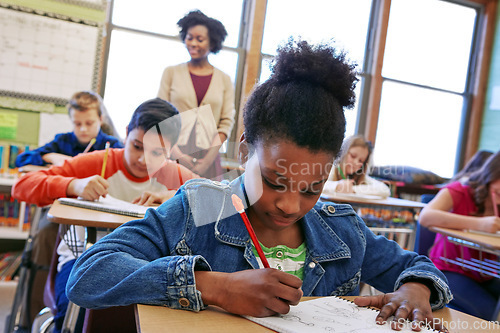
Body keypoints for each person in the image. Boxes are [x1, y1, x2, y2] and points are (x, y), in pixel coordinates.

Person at [68, 39, 451, 330]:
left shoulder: (342, 230)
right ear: (246, 151)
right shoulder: (201, 209)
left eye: (310, 188)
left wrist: (415, 289)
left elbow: (417, 265)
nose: (289, 204)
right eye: (274, 181)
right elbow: (89, 273)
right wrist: (214, 286)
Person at [12, 98, 199, 333]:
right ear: (126, 134)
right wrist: (74, 185)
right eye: (137, 146)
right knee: (78, 314)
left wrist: (179, 196)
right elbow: (22, 185)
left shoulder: (175, 175)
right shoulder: (99, 161)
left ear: (172, 149)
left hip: (144, 268)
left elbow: (223, 202)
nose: (143, 160)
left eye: (157, 152)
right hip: (82, 260)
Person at [419, 150, 500, 320]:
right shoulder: (460, 190)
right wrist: (480, 224)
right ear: (491, 175)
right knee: (490, 313)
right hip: (447, 268)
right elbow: (425, 217)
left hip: (483, 273)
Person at [157, 9, 235, 180]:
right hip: (173, 153)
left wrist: (207, 161)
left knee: (207, 204)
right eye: (189, 37)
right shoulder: (171, 72)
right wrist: (178, 154)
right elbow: (161, 117)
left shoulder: (224, 79)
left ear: (212, 43)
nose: (193, 43)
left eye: (200, 39)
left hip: (209, 157)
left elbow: (226, 122)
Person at [15, 91, 123, 167]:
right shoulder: (63, 141)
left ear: (100, 119)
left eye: (89, 123)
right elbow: (21, 159)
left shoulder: (113, 145)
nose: (83, 129)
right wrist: (50, 157)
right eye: (77, 124)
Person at [323, 135, 391, 198]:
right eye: (353, 156)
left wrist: (352, 189)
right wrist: (337, 186)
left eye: (361, 161)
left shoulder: (360, 177)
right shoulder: (331, 169)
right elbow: (316, 186)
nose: (356, 163)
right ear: (343, 152)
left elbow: (385, 190)